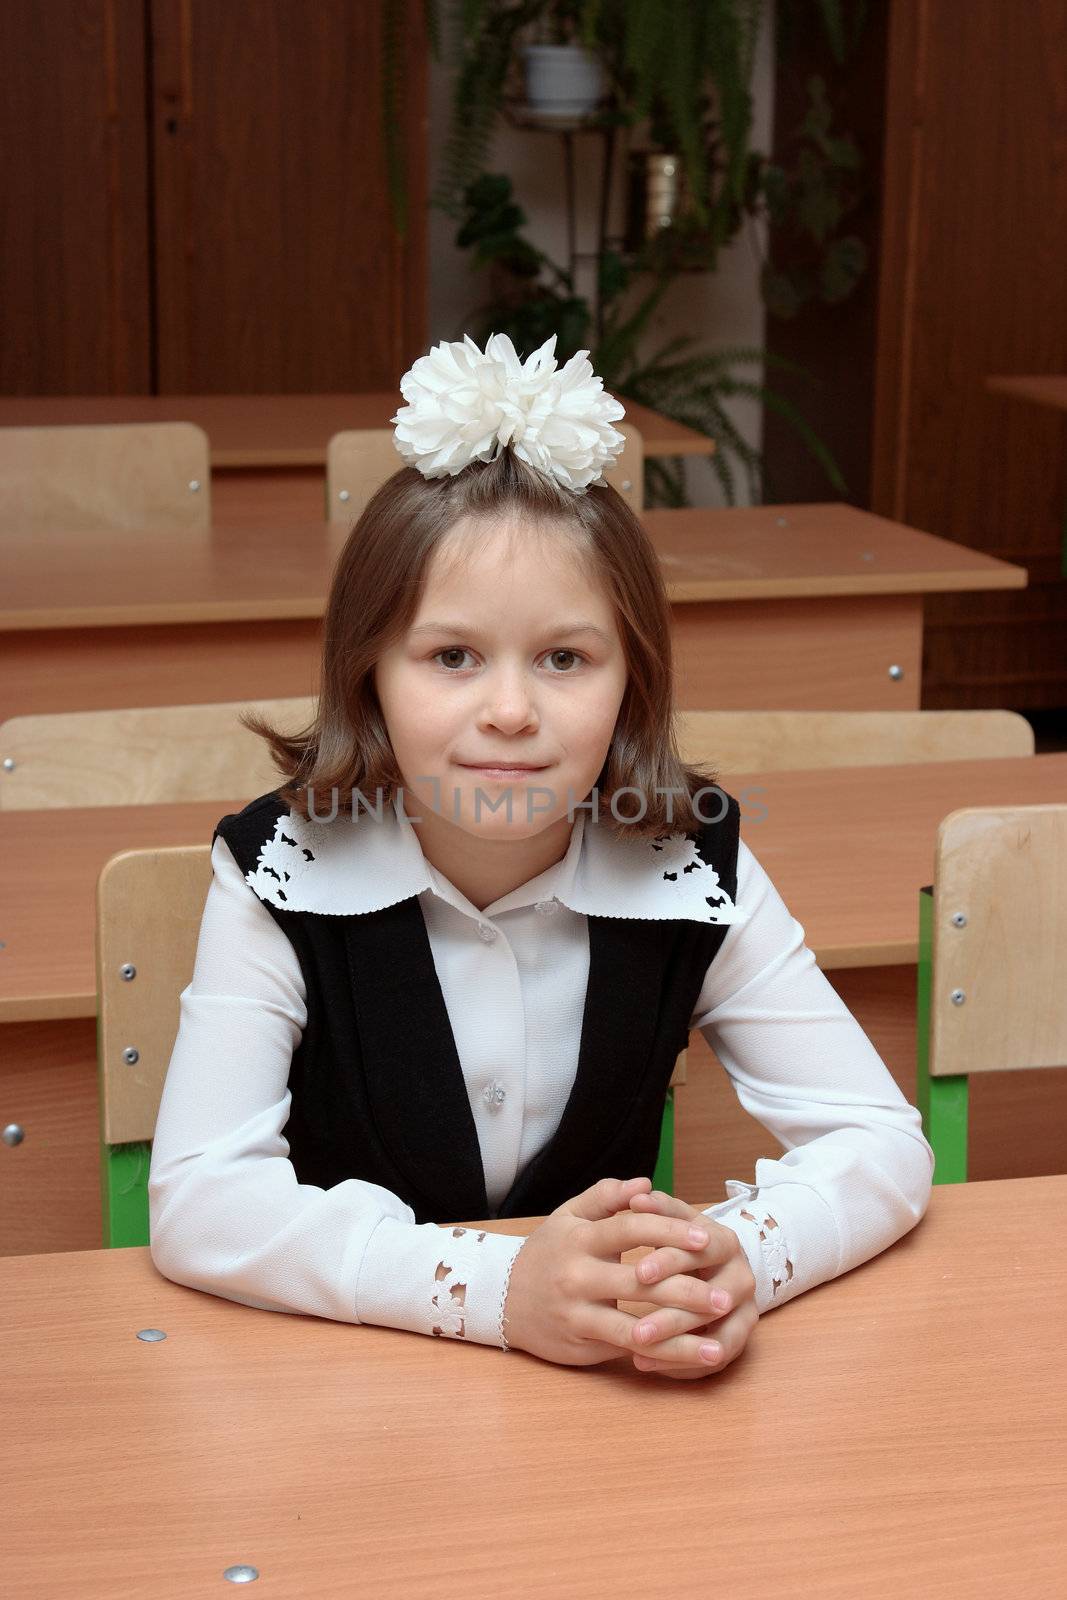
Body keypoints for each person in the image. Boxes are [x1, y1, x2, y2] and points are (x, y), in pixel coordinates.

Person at [148, 331, 934, 1381]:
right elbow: (200, 1201)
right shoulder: (282, 866)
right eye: (451, 657)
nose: (510, 711)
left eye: (565, 657)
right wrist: (493, 1291)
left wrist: (740, 1257)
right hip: (339, 1386)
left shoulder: (687, 861)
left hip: (605, 1394)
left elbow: (880, 1141)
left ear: (630, 682)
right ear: (367, 673)